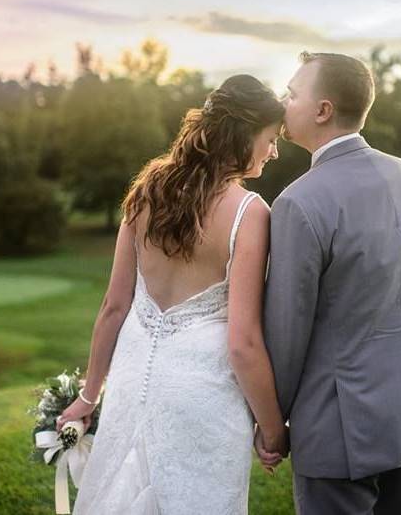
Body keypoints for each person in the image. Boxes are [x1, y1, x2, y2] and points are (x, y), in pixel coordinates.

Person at [58, 74, 288, 514]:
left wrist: (89, 397)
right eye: (271, 138)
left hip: (130, 377)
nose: (274, 150)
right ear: (244, 133)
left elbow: (113, 308)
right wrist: (273, 428)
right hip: (202, 397)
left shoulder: (147, 189)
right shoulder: (249, 212)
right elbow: (243, 344)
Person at [258, 51, 401, 514]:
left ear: (323, 110)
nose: (283, 104)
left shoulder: (298, 202)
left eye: (291, 94)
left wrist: (271, 424)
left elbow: (287, 331)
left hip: (339, 426)